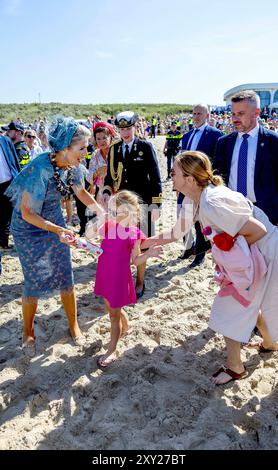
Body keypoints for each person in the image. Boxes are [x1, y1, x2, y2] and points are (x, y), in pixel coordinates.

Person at [142, 150, 278, 385]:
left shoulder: (213, 202)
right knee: (245, 302)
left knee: (227, 309)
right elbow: (177, 232)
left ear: (189, 179)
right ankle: (269, 343)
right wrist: (149, 241)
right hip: (249, 256)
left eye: (174, 172)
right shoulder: (192, 199)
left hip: (264, 254)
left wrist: (230, 255)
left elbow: (258, 231)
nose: (170, 176)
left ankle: (236, 367)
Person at [5, 116, 102, 353]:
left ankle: (74, 325)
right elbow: (27, 213)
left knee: (65, 275)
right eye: (82, 148)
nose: (86, 152)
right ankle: (27, 331)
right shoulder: (39, 167)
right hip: (28, 229)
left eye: (87, 147)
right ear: (64, 148)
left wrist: (103, 213)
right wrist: (58, 229)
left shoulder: (74, 168)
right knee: (34, 280)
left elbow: (81, 194)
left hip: (53, 219)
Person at [87, 190, 162, 368]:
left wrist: (149, 254)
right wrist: (102, 216)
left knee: (113, 316)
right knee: (110, 307)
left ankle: (112, 349)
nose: (112, 212)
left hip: (119, 278)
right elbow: (89, 234)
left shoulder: (134, 233)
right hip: (104, 273)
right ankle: (126, 326)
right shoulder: (109, 226)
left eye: (115, 209)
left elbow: (136, 260)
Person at [102, 111, 162, 298]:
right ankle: (123, 277)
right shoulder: (114, 149)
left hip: (142, 205)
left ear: (135, 127)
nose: (125, 133)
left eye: (128, 128)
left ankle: (140, 281)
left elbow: (155, 177)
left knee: (141, 244)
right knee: (121, 243)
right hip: (121, 207)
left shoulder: (145, 146)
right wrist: (105, 191)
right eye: (122, 129)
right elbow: (111, 176)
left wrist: (156, 205)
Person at [213, 90, 278, 226]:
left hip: (266, 215)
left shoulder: (273, 141)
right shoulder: (223, 143)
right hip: (230, 212)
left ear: (256, 112)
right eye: (233, 114)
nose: (235, 119)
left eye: (241, 114)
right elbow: (217, 178)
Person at [179, 104, 223, 266]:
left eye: (200, 113)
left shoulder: (216, 135)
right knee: (183, 216)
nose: (196, 116)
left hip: (202, 185)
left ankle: (200, 251)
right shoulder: (187, 135)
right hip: (185, 184)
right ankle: (188, 247)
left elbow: (216, 162)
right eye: (194, 113)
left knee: (199, 220)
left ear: (207, 115)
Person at [0, 133, 21, 248]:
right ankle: (3, 241)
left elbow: (15, 161)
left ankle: (9, 240)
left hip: (9, 184)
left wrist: (19, 179)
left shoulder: (5, 141)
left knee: (12, 213)